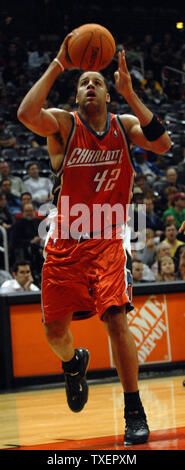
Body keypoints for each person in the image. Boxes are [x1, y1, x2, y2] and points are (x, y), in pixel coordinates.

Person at [17, 32, 171, 446]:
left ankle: (134, 410)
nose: (89, 85)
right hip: (65, 240)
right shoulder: (64, 125)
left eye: (96, 81)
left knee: (117, 319)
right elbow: (26, 114)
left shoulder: (125, 125)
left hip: (106, 238)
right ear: (76, 94)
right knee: (55, 332)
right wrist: (59, 63)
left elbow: (163, 143)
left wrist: (132, 94)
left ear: (107, 92)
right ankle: (73, 364)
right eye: (83, 81)